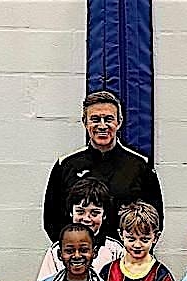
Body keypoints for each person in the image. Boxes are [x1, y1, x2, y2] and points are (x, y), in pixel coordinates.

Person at [42, 91, 164, 243]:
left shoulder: (140, 167)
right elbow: (51, 221)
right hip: (80, 255)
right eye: (95, 119)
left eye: (108, 119)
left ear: (119, 122)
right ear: (85, 122)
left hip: (125, 256)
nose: (102, 125)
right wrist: (75, 250)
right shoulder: (66, 166)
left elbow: (154, 220)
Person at [37, 178, 125, 281]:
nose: (86, 219)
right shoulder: (55, 251)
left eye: (94, 213)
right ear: (71, 212)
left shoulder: (116, 250)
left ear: (104, 215)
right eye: (80, 212)